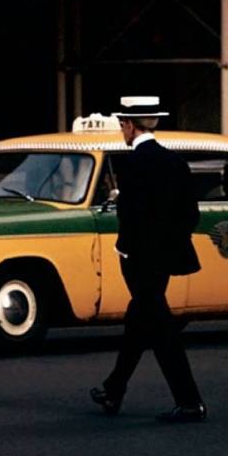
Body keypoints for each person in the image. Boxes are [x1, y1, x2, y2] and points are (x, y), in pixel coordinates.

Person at [90, 95, 207, 423]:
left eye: (121, 125)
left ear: (129, 125)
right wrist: (168, 246)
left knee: (160, 328)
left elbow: (131, 218)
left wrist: (125, 249)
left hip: (139, 261)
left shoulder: (133, 165)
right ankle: (113, 390)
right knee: (139, 322)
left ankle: (190, 402)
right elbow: (190, 215)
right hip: (165, 259)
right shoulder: (175, 163)